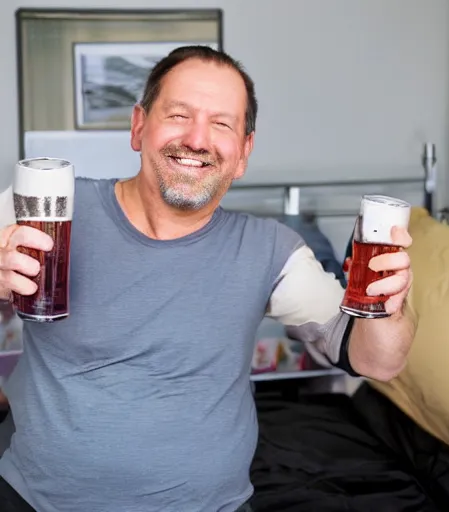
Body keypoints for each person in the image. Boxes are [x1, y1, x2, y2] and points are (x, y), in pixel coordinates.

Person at [0, 46, 416, 512]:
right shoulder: (44, 205)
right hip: (32, 501)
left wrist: (391, 304)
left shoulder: (271, 251)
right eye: (179, 114)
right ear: (139, 127)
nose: (198, 139)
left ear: (243, 152)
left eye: (221, 124)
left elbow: (377, 361)